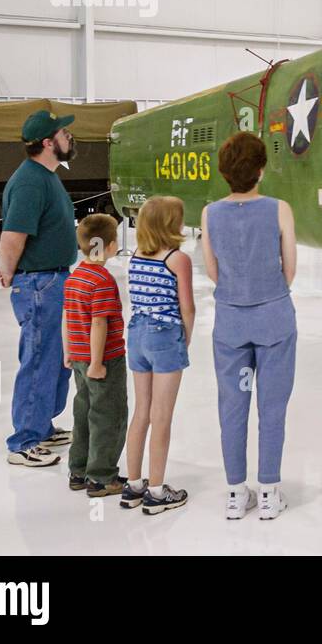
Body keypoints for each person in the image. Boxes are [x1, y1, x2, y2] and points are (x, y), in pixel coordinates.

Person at [201, 132, 297, 520]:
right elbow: (289, 269)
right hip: (274, 318)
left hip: (230, 323)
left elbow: (211, 270)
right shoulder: (279, 209)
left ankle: (236, 492)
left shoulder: (210, 213)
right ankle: (270, 491)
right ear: (261, 170)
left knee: (232, 405)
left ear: (224, 172)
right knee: (272, 405)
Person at [0, 109, 80, 467]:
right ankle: (24, 441)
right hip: (39, 284)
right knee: (39, 360)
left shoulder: (47, 175)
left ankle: (42, 426)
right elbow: (14, 234)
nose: (70, 138)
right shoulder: (31, 181)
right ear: (48, 143)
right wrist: (9, 271)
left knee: (57, 359)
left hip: (53, 280)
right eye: (64, 133)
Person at [121, 195, 193, 516]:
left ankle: (133, 484)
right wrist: (184, 341)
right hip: (165, 335)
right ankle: (156, 491)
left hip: (136, 333)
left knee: (142, 412)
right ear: (170, 224)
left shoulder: (136, 255)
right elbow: (187, 307)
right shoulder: (177, 259)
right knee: (162, 416)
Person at [62, 214, 128, 497]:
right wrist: (98, 362)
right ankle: (101, 477)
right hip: (103, 361)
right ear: (110, 245)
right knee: (107, 415)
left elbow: (67, 316)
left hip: (77, 358)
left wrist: (68, 352)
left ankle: (78, 470)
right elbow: (99, 322)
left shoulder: (75, 276)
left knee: (83, 411)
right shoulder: (102, 280)